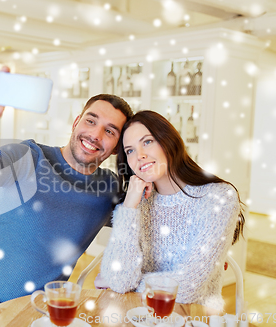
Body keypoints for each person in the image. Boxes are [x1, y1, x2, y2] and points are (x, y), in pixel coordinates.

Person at [0, 66, 134, 326]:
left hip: (38, 316)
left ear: (117, 145)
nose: (95, 135)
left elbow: (141, 225)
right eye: (91, 120)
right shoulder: (28, 157)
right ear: (76, 122)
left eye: (110, 131)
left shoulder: (108, 188)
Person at [95, 110, 245, 310]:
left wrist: (130, 283)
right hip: (136, 316)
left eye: (147, 141)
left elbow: (189, 288)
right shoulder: (138, 202)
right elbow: (118, 277)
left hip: (194, 318)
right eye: (130, 150)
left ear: (168, 141)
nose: (140, 155)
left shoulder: (218, 197)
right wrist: (129, 205)